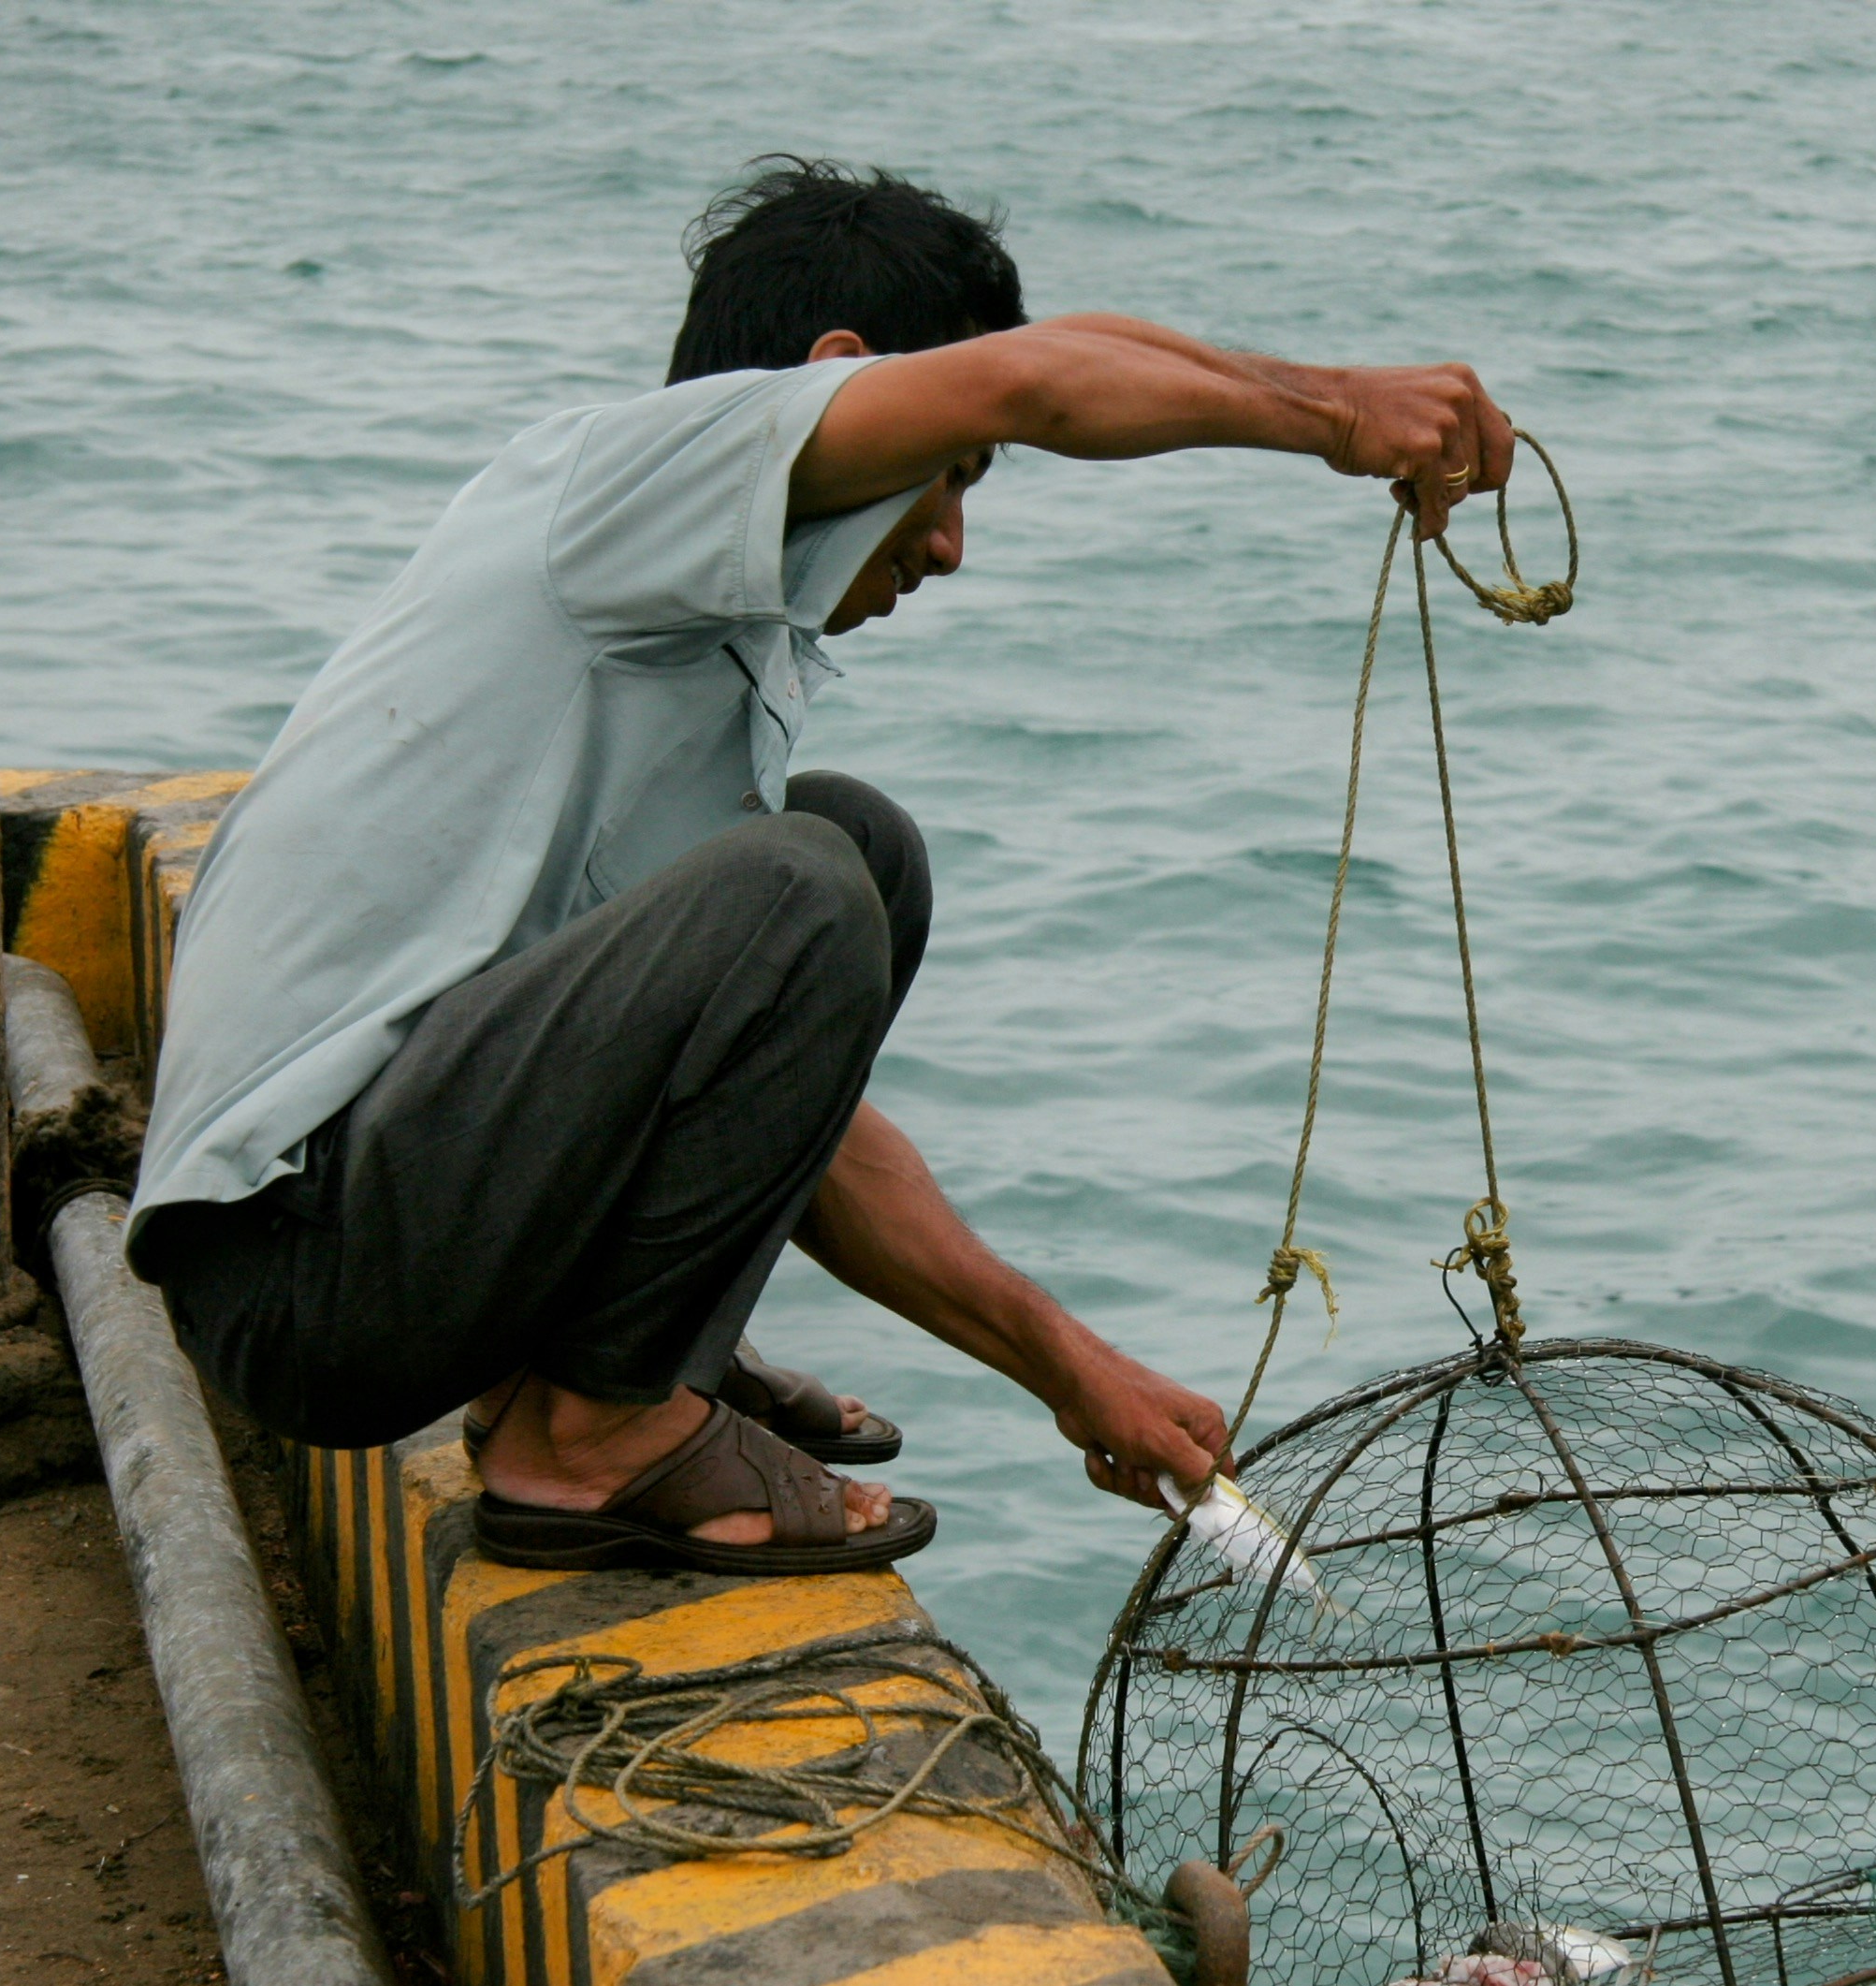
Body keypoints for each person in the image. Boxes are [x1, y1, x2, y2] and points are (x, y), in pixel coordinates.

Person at [128, 156, 1517, 1573]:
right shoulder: (628, 471)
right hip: (294, 1268)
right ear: (841, 378)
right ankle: (599, 1437)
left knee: (850, 853)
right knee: (807, 877)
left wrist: (1068, 1370)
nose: (955, 545)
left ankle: (612, 1377)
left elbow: (810, 1138)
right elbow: (1030, 381)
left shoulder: (690, 636)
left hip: (387, 1249)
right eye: (958, 477)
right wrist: (1336, 413)